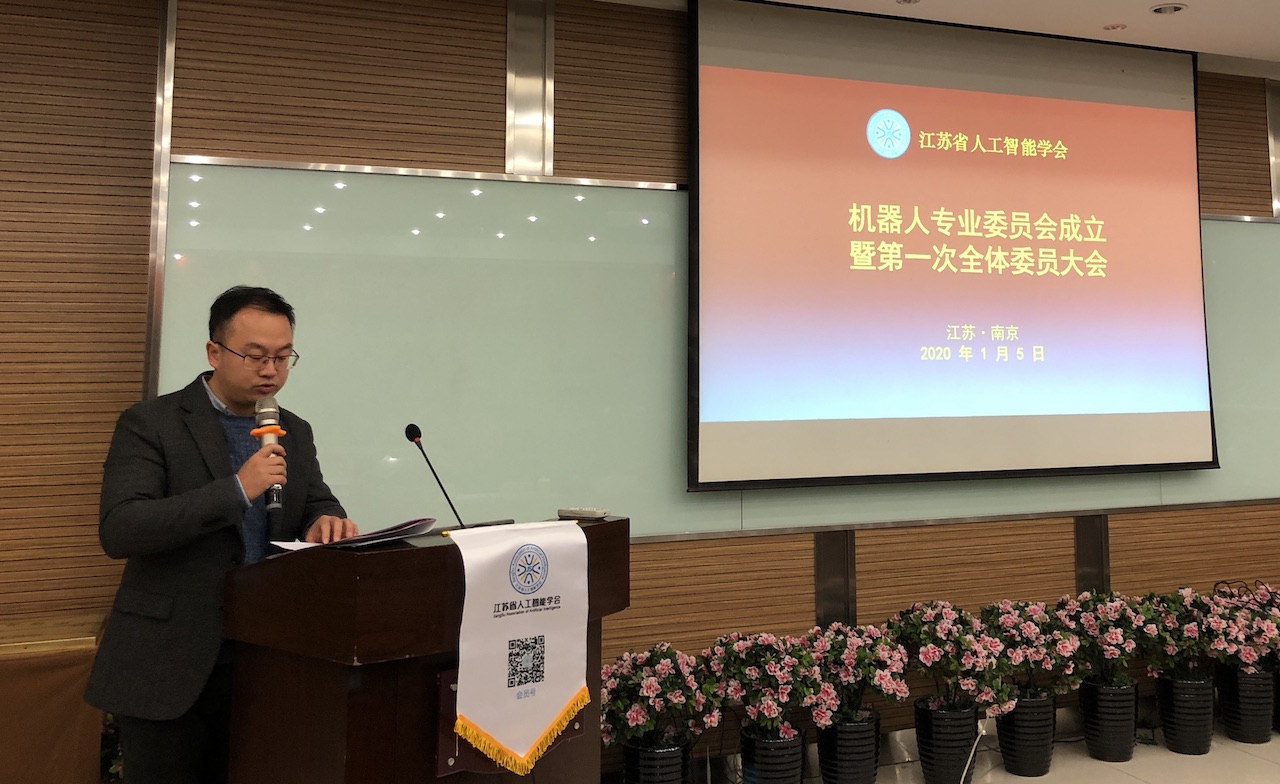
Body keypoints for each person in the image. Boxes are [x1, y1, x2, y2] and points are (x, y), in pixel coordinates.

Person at [85, 286, 358, 784]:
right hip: (171, 661)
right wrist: (236, 489)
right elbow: (121, 528)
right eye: (255, 355)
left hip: (265, 656)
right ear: (214, 352)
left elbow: (314, 500)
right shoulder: (152, 423)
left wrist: (326, 519)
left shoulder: (293, 429)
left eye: (282, 357)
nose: (271, 370)